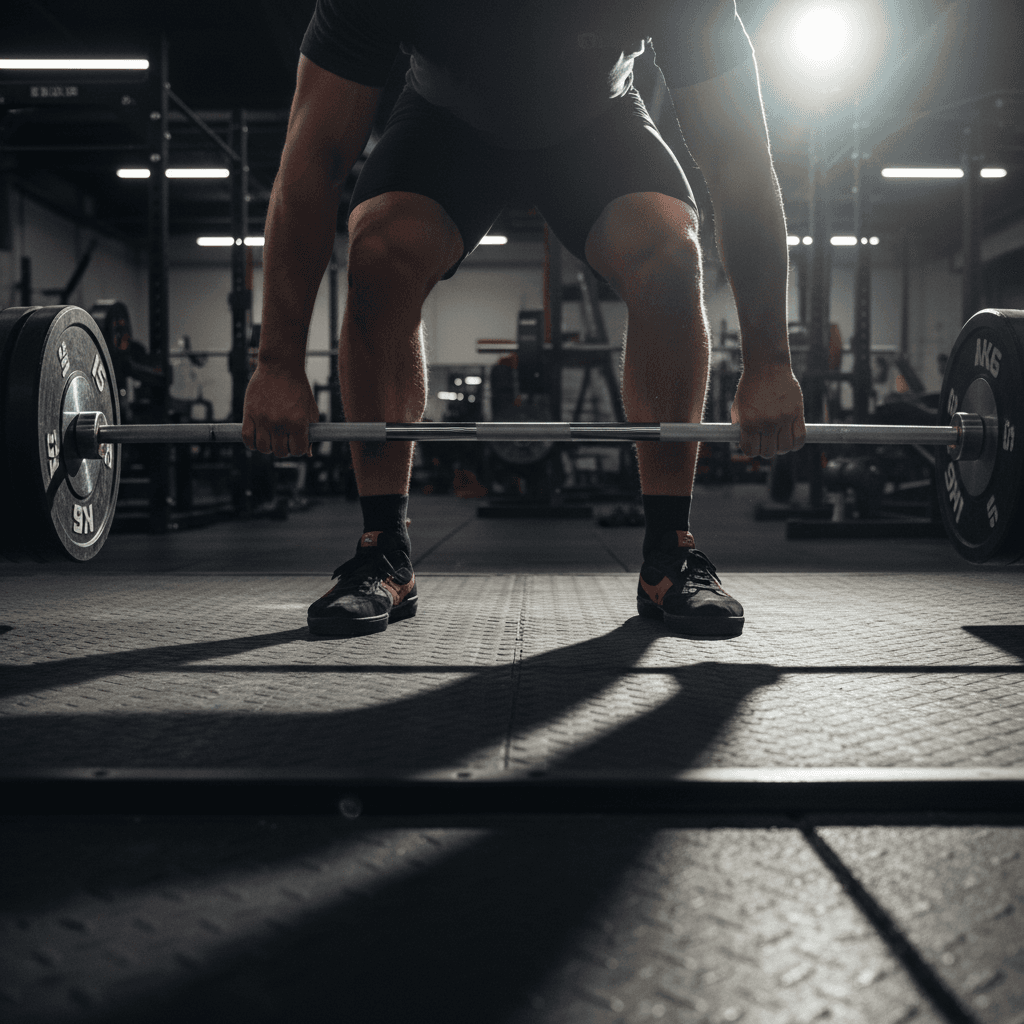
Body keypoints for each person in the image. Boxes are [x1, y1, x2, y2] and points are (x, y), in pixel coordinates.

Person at [242, 0, 807, 639]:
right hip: (445, 127)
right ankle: (383, 550)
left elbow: (739, 163)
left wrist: (768, 365)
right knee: (380, 251)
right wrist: (278, 365)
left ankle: (669, 554)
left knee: (671, 256)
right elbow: (312, 158)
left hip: (598, 126)